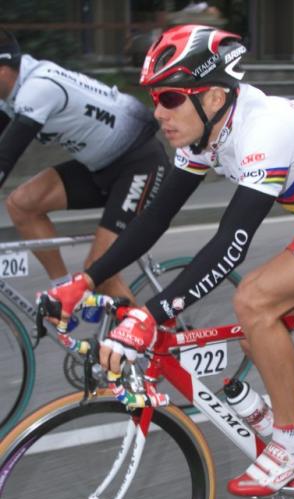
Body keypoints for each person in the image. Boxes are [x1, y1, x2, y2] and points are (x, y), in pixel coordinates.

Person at [45, 24, 294, 496]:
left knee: (254, 301)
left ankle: (293, 444)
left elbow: (230, 243)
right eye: (155, 99)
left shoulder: (264, 131)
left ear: (214, 97)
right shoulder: (206, 131)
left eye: (170, 98)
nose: (159, 114)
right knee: (259, 324)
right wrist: (86, 279)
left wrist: (150, 315)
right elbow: (154, 219)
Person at [0, 29, 170, 309]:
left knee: (99, 271)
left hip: (139, 163)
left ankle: (141, 335)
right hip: (99, 166)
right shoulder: (12, 89)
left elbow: (5, 158)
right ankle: (63, 291)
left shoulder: (38, 88)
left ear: (3, 69)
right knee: (22, 204)